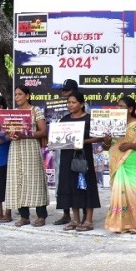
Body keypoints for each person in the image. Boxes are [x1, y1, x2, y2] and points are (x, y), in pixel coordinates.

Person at [104, 96, 136, 234]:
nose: (118, 109)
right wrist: (106, 141)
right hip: (117, 162)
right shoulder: (112, 124)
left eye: (121, 106)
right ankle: (120, 224)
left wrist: (131, 145)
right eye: (117, 106)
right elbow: (106, 146)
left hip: (135, 162)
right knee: (119, 193)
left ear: (130, 109)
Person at [56, 92, 102, 232]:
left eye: (73, 102)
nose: (70, 105)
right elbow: (58, 138)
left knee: (86, 186)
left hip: (83, 156)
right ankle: (75, 219)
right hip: (67, 157)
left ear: (81, 104)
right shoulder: (64, 120)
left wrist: (82, 142)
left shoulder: (89, 119)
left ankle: (88, 220)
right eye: (68, 102)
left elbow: (98, 137)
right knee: (71, 186)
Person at [6, 85, 50, 227]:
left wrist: (25, 135)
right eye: (15, 94)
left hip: (30, 148)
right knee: (17, 181)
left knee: (35, 181)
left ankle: (41, 216)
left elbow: (43, 131)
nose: (16, 97)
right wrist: (10, 134)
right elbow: (6, 132)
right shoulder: (13, 112)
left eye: (19, 94)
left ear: (27, 96)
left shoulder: (35, 110)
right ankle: (24, 216)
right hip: (15, 149)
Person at [53, 78, 82, 226]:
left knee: (79, 182)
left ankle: (81, 214)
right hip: (61, 152)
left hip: (78, 152)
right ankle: (66, 213)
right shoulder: (56, 108)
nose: (63, 94)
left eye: (66, 91)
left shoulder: (84, 108)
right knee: (62, 182)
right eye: (62, 91)